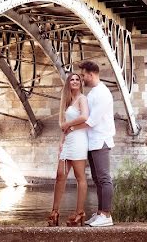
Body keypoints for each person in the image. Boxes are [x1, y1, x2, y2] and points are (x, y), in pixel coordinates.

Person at [70, 60, 115, 227]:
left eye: (83, 75)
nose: (81, 79)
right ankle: (99, 214)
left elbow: (92, 121)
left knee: (104, 178)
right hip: (92, 141)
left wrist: (71, 128)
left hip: (100, 140)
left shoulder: (103, 93)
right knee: (97, 179)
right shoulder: (93, 93)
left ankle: (107, 215)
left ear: (91, 74)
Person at [46, 72, 89, 226]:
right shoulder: (68, 101)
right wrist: (61, 141)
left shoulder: (82, 99)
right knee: (60, 175)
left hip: (78, 141)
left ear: (80, 83)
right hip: (68, 141)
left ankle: (79, 213)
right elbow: (65, 127)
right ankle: (55, 212)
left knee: (79, 177)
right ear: (68, 83)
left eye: (78, 79)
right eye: (72, 79)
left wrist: (68, 125)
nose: (75, 81)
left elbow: (85, 117)